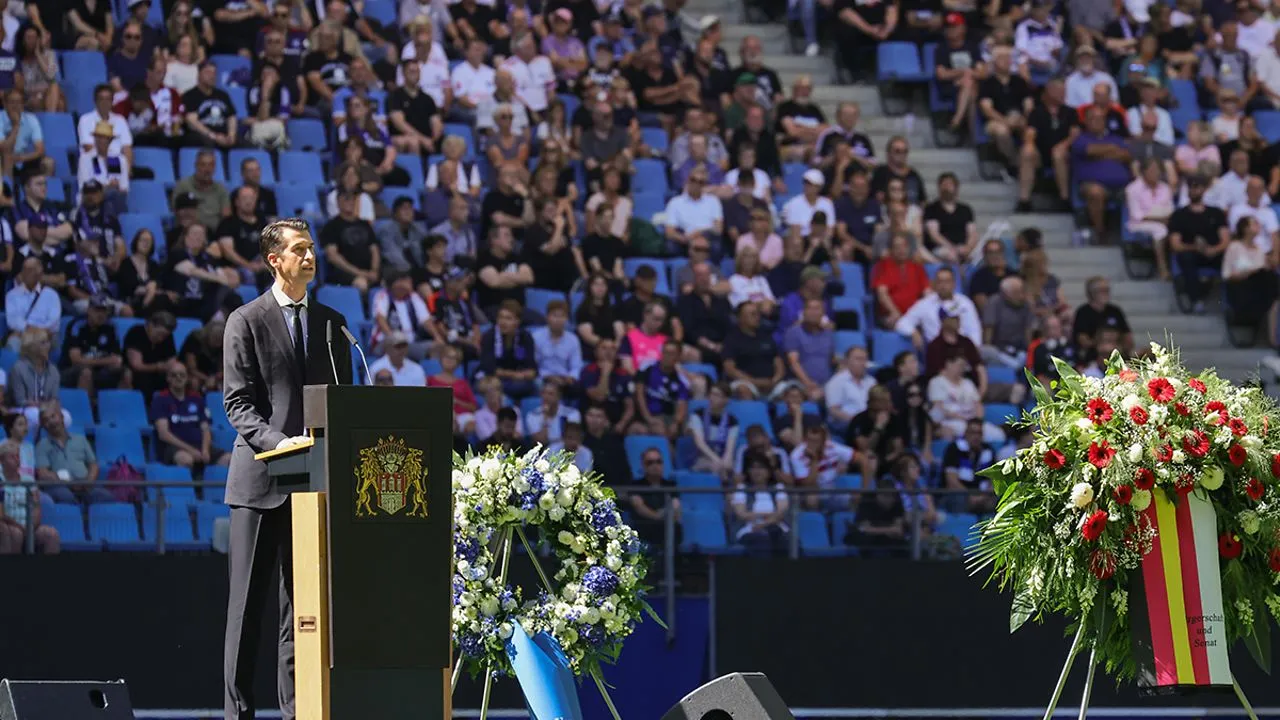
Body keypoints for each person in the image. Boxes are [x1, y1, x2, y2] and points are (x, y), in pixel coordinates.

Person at [222, 218, 354, 720]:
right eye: (299, 250)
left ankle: (298, 711)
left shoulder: (332, 323)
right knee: (247, 609)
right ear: (274, 260)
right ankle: (238, 712)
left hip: (311, 487)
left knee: (301, 613)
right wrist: (283, 444)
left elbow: (342, 403)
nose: (309, 256)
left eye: (312, 248)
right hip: (260, 482)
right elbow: (238, 405)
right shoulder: (246, 320)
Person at [1165, 175, 1230, 311]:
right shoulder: (1179, 215)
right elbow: (1175, 244)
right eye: (1191, 187)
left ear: (1204, 190)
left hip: (1214, 252)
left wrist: (1214, 249)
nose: (1193, 191)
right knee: (1186, 258)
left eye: (1196, 187)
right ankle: (1196, 300)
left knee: (1231, 256)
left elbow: (1225, 240)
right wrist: (1196, 247)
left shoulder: (1216, 213)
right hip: (1193, 253)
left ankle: (1232, 303)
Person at [151, 360, 227, 471]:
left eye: (182, 375)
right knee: (185, 459)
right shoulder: (160, 400)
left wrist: (205, 450)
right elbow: (164, 434)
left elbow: (206, 429)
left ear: (187, 378)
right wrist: (190, 450)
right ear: (168, 378)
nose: (178, 378)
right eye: (174, 375)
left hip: (200, 446)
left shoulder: (197, 399)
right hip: (174, 448)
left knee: (229, 459)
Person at [36, 402, 110, 505]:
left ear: (61, 417)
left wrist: (89, 481)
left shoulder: (80, 439)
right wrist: (68, 482)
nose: (51, 422)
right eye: (46, 420)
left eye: (53, 416)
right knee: (65, 496)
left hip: (85, 483)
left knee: (105, 496)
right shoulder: (42, 445)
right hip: (60, 486)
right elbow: (43, 473)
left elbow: (93, 465)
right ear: (43, 426)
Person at [61, 296, 127, 395]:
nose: (101, 314)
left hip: (100, 370)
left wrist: (108, 362)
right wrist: (106, 361)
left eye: (104, 311)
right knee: (86, 372)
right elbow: (76, 360)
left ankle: (120, 407)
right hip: (70, 371)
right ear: (89, 310)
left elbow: (117, 359)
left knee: (125, 372)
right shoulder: (77, 325)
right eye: (97, 310)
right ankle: (86, 408)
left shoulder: (111, 327)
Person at [0, 440, 58, 554]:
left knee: (51, 534)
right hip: (8, 525)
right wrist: (20, 528)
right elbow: (1, 514)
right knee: (15, 533)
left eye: (18, 456)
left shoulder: (29, 481)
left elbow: (36, 508)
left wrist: (30, 528)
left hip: (30, 527)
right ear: (2, 460)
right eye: (12, 457)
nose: (17, 460)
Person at [1224, 217, 1280, 333]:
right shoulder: (1234, 247)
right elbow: (1228, 275)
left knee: (1269, 278)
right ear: (1245, 229)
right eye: (1254, 224)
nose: (1258, 226)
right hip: (1241, 287)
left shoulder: (1259, 249)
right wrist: (1250, 272)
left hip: (1261, 289)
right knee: (1268, 278)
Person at [730, 450, 789, 554]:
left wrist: (763, 524)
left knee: (788, 541)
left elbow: (781, 514)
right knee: (762, 540)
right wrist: (769, 515)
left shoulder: (778, 488)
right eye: (753, 468)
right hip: (750, 530)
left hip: (775, 529)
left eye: (761, 467)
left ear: (768, 471)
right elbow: (741, 514)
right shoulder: (742, 489)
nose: (756, 471)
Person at [479, 299, 538, 399]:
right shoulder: (489, 336)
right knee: (491, 386)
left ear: (517, 321)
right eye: (500, 317)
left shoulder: (525, 337)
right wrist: (514, 375)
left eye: (508, 318)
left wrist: (525, 375)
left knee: (535, 385)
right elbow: (490, 368)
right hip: (492, 378)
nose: (503, 322)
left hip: (518, 381)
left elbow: (532, 368)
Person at [942, 418, 998, 513]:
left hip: (982, 495)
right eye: (972, 433)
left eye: (979, 433)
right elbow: (951, 480)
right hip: (961, 494)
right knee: (958, 499)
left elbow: (994, 479)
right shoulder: (954, 449)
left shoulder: (988, 450)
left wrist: (983, 495)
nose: (976, 437)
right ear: (966, 433)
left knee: (998, 499)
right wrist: (969, 495)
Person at [687, 382, 738, 478]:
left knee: (733, 468)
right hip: (701, 458)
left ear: (726, 400)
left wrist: (726, 460)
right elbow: (700, 444)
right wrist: (717, 460)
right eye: (711, 394)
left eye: (717, 395)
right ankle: (726, 492)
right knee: (716, 467)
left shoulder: (733, 421)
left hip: (721, 457)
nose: (711, 398)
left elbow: (730, 449)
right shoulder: (698, 415)